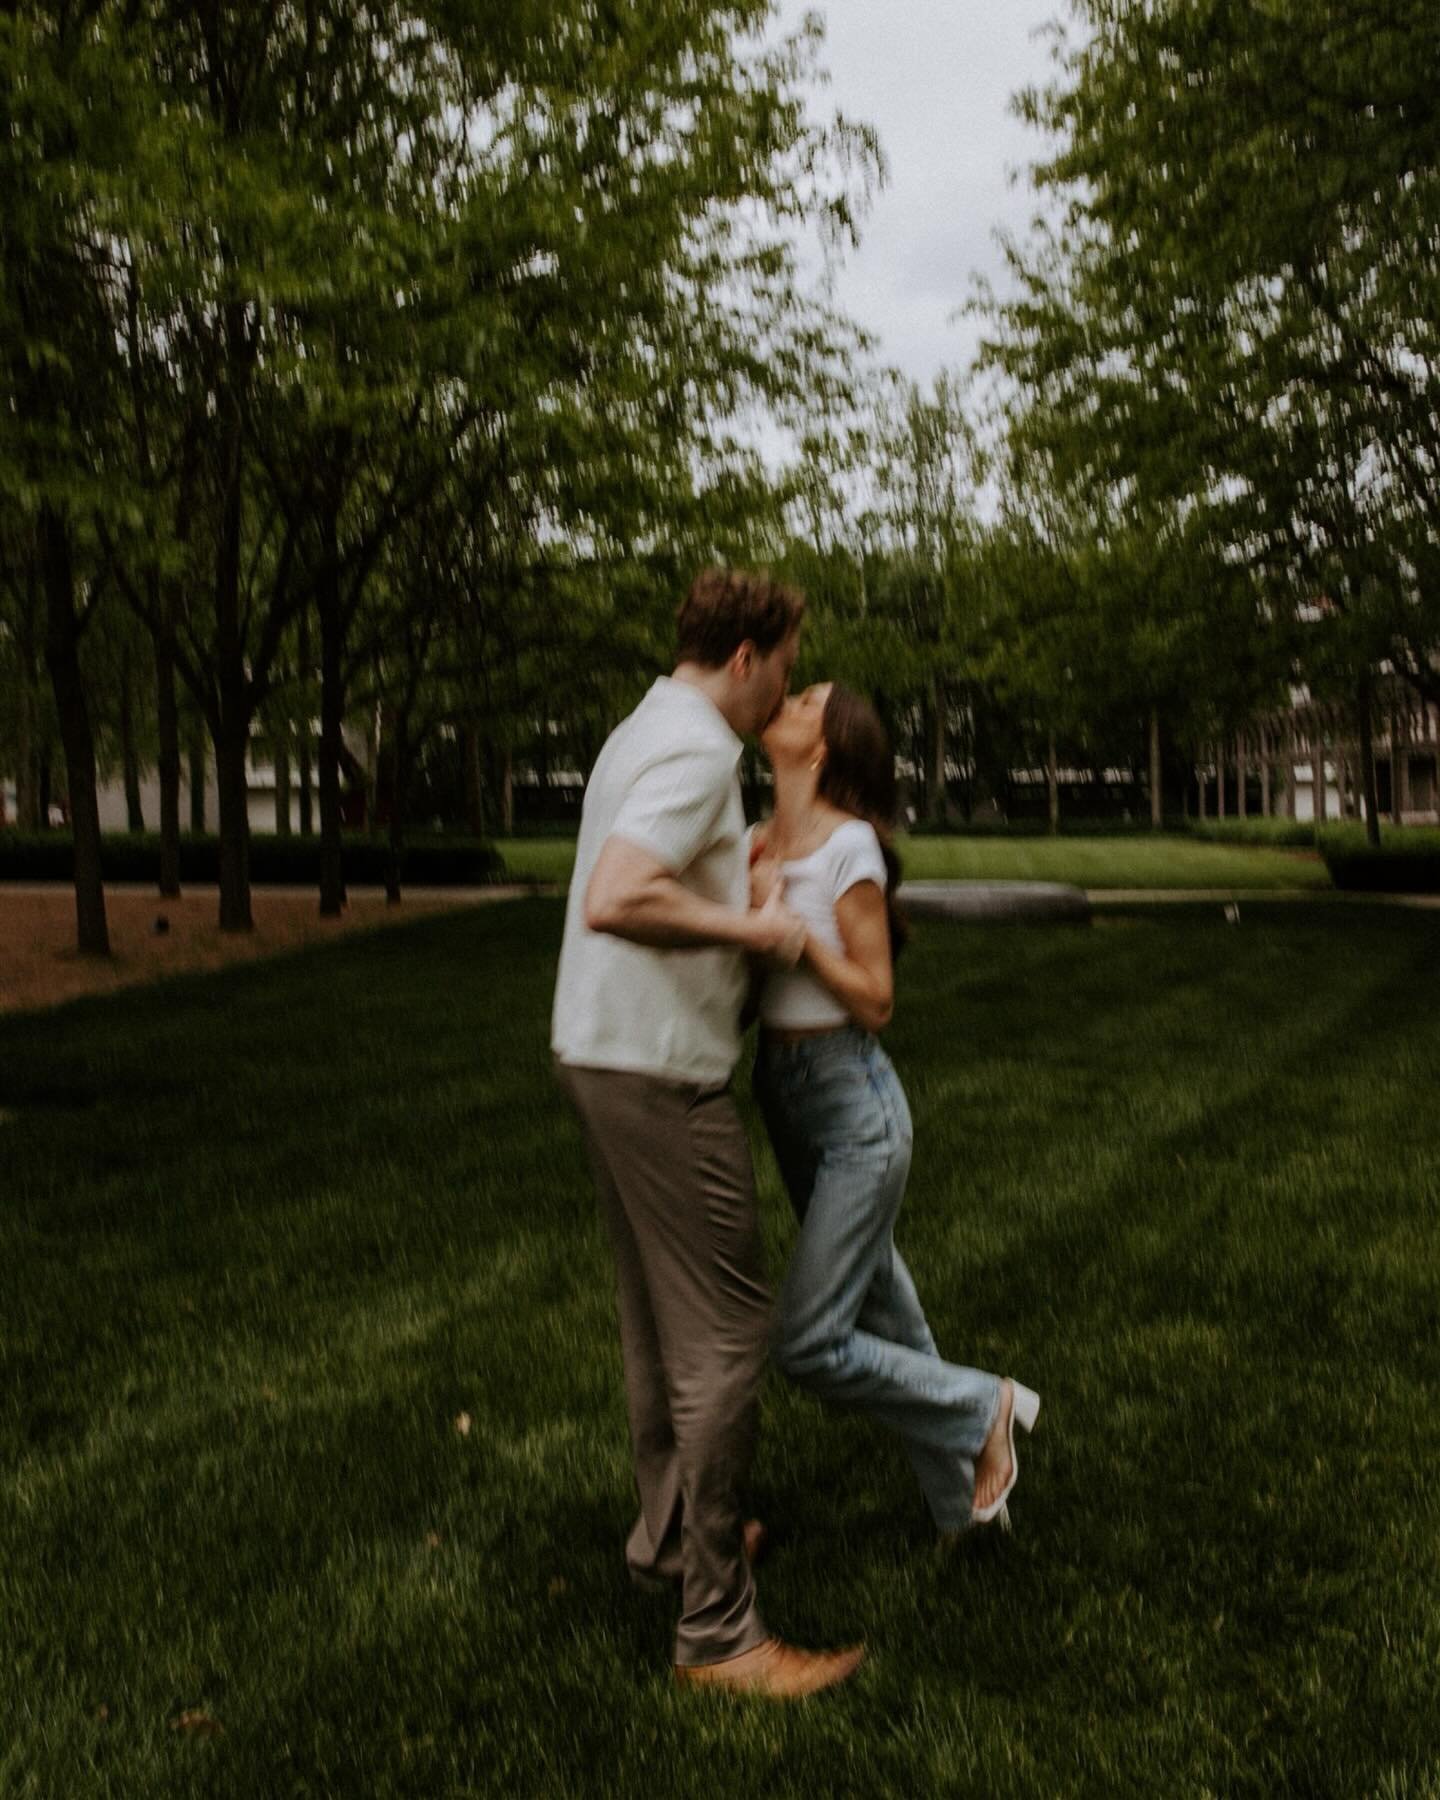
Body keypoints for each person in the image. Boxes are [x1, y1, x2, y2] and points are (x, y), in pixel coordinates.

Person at [552, 569, 865, 1699]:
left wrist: (737, 873)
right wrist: (759, 930)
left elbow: (647, 869)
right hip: (655, 1070)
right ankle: (721, 1634)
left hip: (597, 1048)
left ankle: (671, 1546)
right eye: (786, 662)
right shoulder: (695, 754)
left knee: (657, 1316)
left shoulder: (648, 726)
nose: (788, 682)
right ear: (747, 657)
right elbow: (619, 893)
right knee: (728, 1329)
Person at [749, 681, 1040, 1537]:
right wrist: (754, 904)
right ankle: (963, 1510)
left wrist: (797, 941)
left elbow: (875, 1000)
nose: (788, 699)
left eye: (806, 700)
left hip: (854, 1105)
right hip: (783, 1092)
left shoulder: (850, 853)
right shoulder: (758, 841)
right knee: (888, 1315)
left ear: (824, 746)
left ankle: (986, 1404)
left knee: (808, 1343)